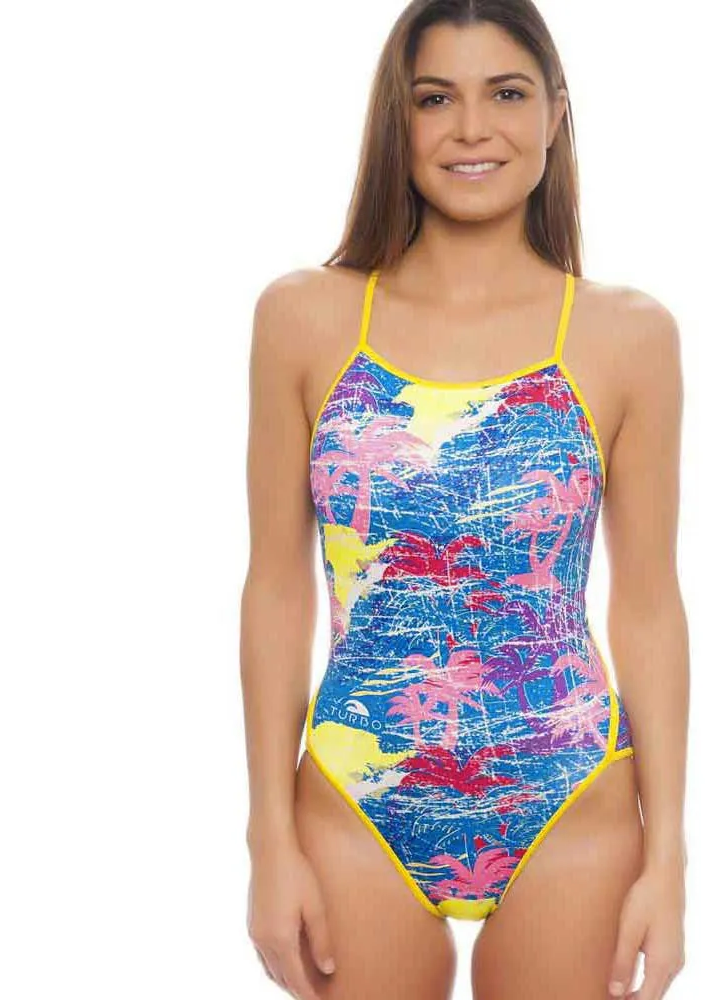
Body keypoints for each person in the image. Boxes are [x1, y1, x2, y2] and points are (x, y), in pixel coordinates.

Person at [239, 2, 689, 998]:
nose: (472, 128)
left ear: (555, 113)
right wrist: (267, 835)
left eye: (506, 94)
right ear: (395, 121)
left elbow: (650, 602)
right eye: (435, 98)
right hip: (356, 799)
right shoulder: (304, 320)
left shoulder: (628, 337)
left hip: (569, 796)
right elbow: (274, 586)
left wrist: (670, 857)